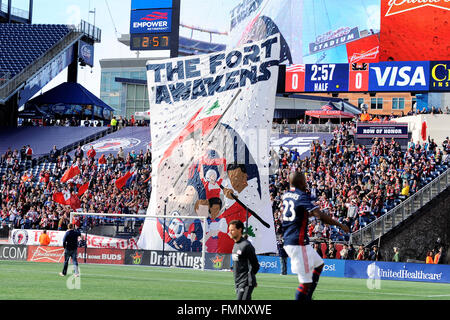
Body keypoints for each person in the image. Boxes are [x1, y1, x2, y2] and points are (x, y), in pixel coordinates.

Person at [281, 171, 349, 301]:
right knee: (305, 282)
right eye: (305, 180)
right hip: (297, 242)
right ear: (301, 182)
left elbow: (299, 212)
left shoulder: (286, 195)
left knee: (319, 264)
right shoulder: (301, 196)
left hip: (292, 239)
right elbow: (320, 216)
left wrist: (309, 213)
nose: (306, 182)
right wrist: (340, 225)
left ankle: (308, 297)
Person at [228, 219, 260, 300]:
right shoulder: (235, 244)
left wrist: (251, 278)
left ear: (239, 230)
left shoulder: (246, 245)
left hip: (245, 282)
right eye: (229, 230)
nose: (230, 232)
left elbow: (255, 265)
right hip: (238, 282)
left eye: (232, 230)